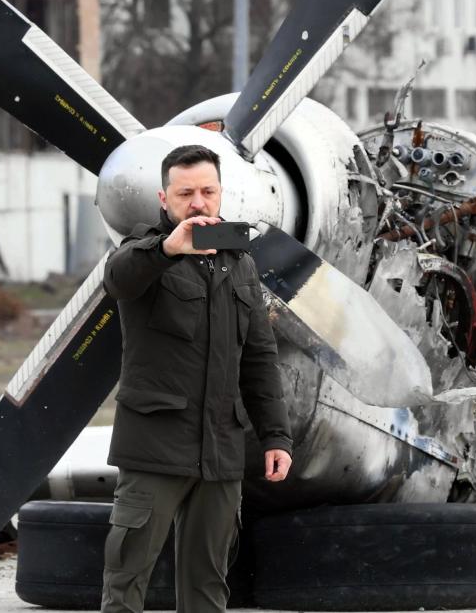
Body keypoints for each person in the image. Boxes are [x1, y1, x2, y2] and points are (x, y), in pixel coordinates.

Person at [100, 144, 293, 613]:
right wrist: (169, 248)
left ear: (221, 193)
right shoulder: (146, 251)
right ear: (165, 200)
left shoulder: (241, 264)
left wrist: (276, 437)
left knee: (208, 586)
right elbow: (119, 279)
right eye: (185, 193)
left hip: (220, 451)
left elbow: (259, 362)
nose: (198, 202)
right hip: (155, 448)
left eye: (207, 191)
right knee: (126, 581)